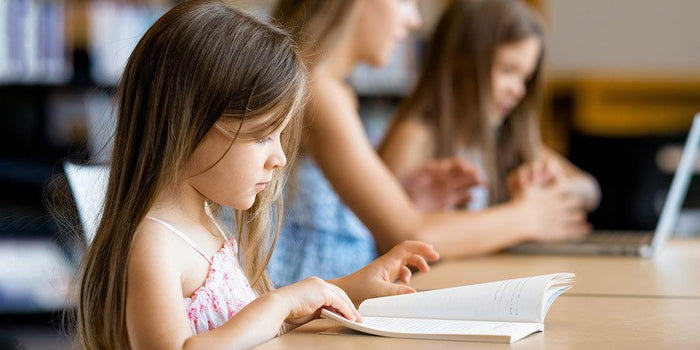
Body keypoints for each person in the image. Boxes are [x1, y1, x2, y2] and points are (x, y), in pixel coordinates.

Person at [74, 2, 439, 349]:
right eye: (263, 135)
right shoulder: (155, 245)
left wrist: (345, 289)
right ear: (189, 125)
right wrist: (279, 302)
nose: (279, 157)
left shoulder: (208, 224)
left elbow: (243, 329)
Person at [268, 0, 592, 287]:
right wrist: (528, 217)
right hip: (307, 315)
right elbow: (410, 233)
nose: (415, 21)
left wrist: (409, 198)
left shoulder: (330, 90)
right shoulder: (321, 93)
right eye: (406, 3)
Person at [380, 0, 600, 241]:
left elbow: (591, 189)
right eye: (507, 70)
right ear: (460, 61)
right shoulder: (414, 137)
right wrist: (527, 217)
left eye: (525, 78)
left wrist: (557, 185)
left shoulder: (503, 135)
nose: (518, 90)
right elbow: (389, 236)